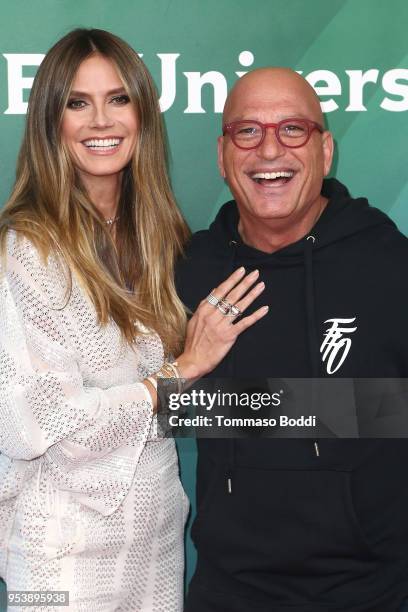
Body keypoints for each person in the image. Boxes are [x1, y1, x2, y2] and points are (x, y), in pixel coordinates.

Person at [0, 29, 268, 611]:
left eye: (118, 99)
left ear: (142, 115)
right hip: (61, 555)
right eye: (77, 102)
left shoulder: (160, 238)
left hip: (154, 540)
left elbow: (171, 410)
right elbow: (41, 426)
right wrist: (180, 370)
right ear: (51, 121)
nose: (102, 120)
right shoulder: (25, 251)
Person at [177, 67, 408, 612]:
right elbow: (157, 410)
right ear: (222, 154)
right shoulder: (189, 269)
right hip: (224, 593)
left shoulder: (391, 267)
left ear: (326, 151)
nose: (270, 150)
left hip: (369, 595)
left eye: (293, 130)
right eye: (248, 132)